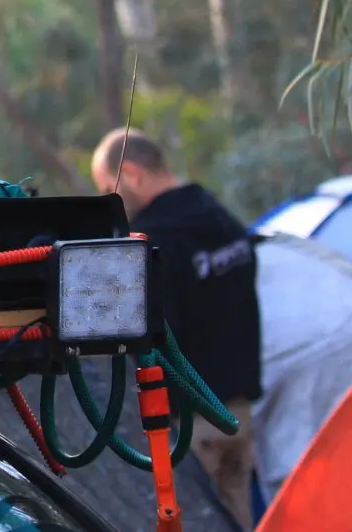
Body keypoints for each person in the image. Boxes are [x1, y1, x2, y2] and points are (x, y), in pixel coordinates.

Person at [90, 128, 262, 528]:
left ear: (132, 174)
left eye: (108, 186)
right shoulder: (219, 216)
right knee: (237, 519)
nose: (110, 200)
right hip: (238, 415)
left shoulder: (154, 240)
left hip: (190, 426)